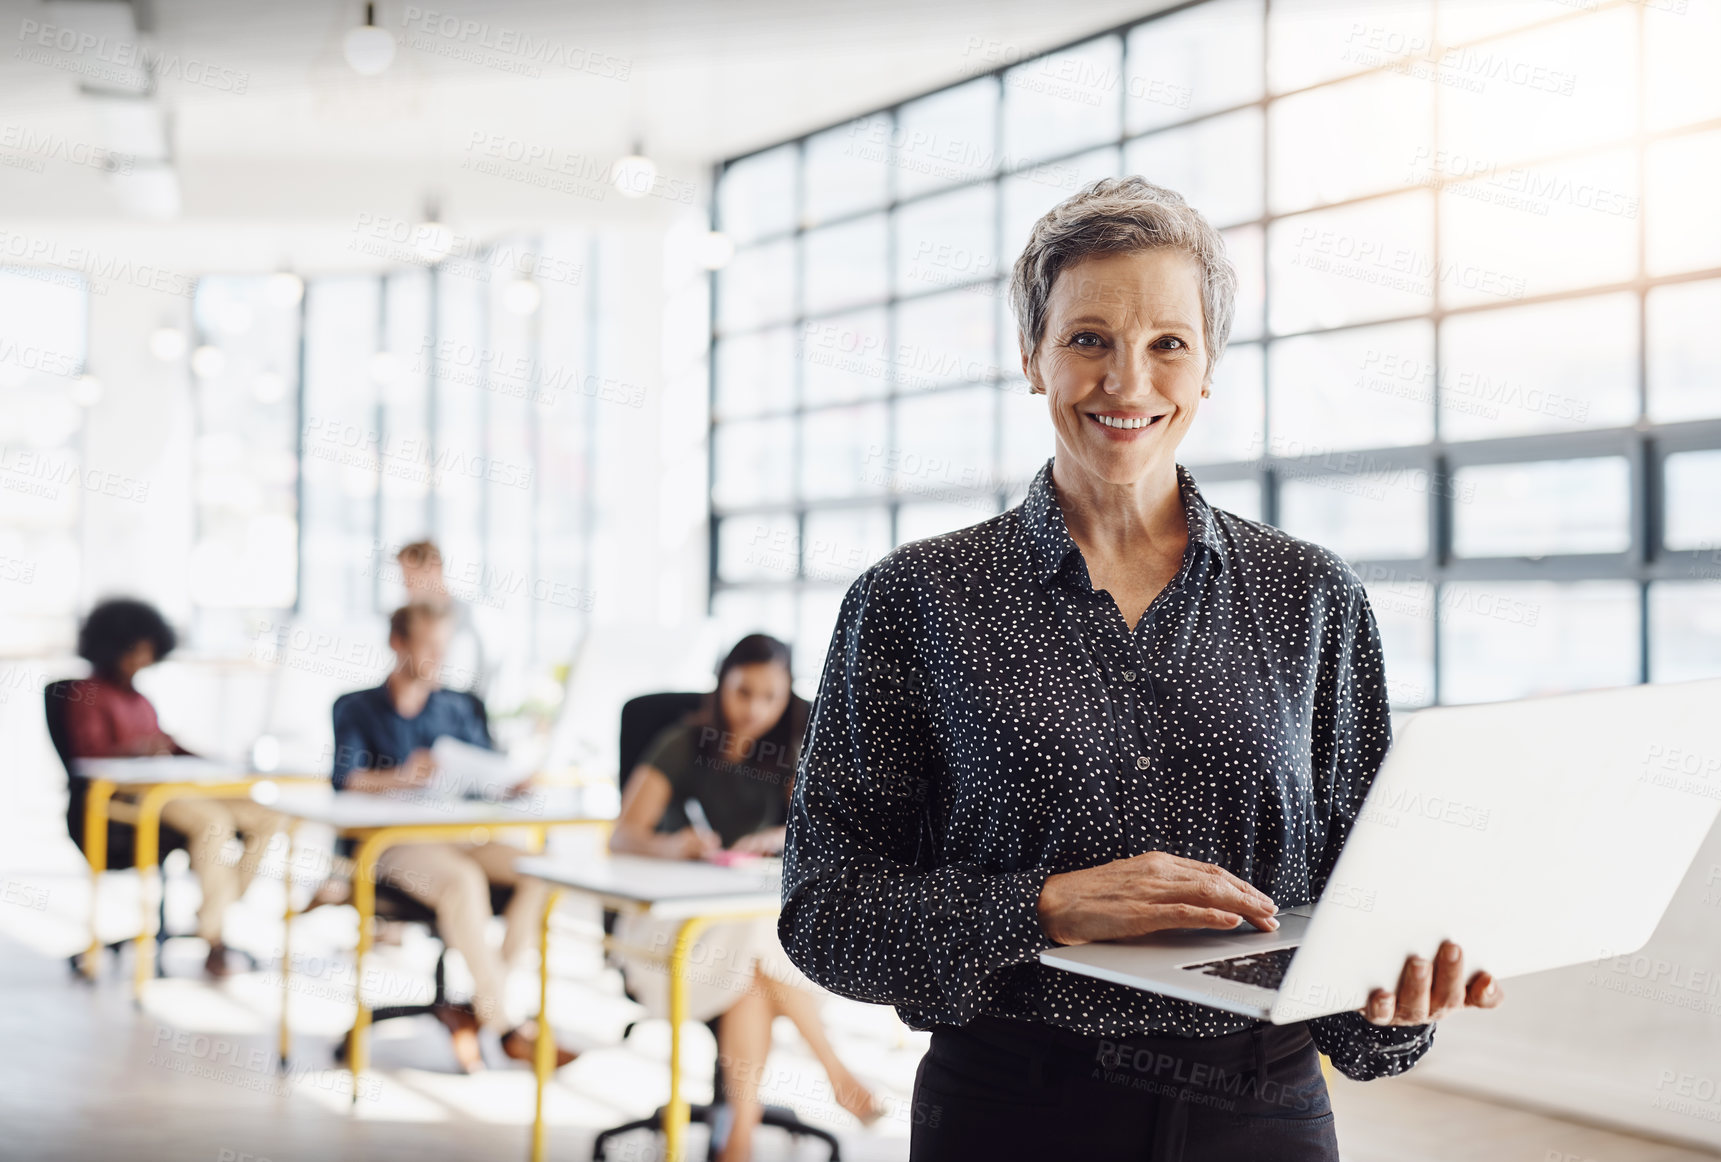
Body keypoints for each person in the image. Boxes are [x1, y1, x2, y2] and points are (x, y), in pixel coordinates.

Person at [778, 177, 1505, 1161]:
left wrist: (1395, 1005)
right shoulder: (914, 598)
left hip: (1262, 1110)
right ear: (1030, 356)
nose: (1127, 383)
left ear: (1207, 366)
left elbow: (1358, 907)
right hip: (1009, 1107)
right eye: (1087, 339)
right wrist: (1041, 906)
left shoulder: (1308, 596)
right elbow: (825, 909)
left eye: (1167, 342)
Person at [608, 634, 882, 1162]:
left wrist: (781, 837)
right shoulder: (683, 743)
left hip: (744, 939)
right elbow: (623, 835)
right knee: (760, 948)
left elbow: (830, 830)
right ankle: (834, 1071)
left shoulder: (796, 744)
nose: (755, 708)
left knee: (754, 974)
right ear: (721, 685)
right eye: (743, 692)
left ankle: (738, 1144)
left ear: (787, 697)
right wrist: (673, 846)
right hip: (674, 936)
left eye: (770, 697)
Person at [330, 602, 569, 1072]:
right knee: (464, 884)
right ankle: (505, 1026)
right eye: (428, 646)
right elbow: (346, 779)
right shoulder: (357, 707)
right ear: (398, 643)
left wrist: (513, 783)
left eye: (445, 647)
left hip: (461, 834)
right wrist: (401, 777)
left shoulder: (458, 707)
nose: (438, 658)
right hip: (392, 843)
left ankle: (480, 1004)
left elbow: (487, 770)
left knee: (538, 873)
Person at [64, 598, 286, 978]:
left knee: (267, 815)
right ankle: (213, 937)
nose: (143, 659)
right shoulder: (84, 694)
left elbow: (169, 744)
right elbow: (88, 755)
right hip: (126, 798)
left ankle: (214, 911)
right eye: (136, 650)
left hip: (172, 788)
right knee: (212, 823)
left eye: (149, 651)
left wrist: (219, 761)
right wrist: (133, 750)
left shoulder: (140, 700)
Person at [395, 539, 489, 698]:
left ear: (434, 568)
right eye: (405, 580)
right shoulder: (409, 620)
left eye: (411, 578)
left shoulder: (466, 620)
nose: (407, 588)